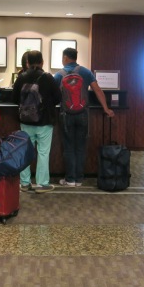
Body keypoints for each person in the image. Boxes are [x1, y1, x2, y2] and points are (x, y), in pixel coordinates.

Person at [53, 47, 114, 187]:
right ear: (76, 57)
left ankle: (70, 179)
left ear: (65, 58)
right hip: (83, 114)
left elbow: (54, 95)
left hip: (66, 115)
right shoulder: (85, 72)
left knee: (68, 147)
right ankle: (79, 179)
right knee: (80, 147)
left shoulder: (59, 75)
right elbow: (97, 90)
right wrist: (106, 108)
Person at [12, 50, 61, 193]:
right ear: (42, 62)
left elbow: (14, 98)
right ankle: (41, 184)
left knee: (25, 151)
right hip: (45, 121)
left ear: (27, 62)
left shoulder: (21, 77)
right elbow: (58, 98)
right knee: (43, 152)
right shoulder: (47, 77)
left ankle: (25, 183)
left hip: (26, 120)